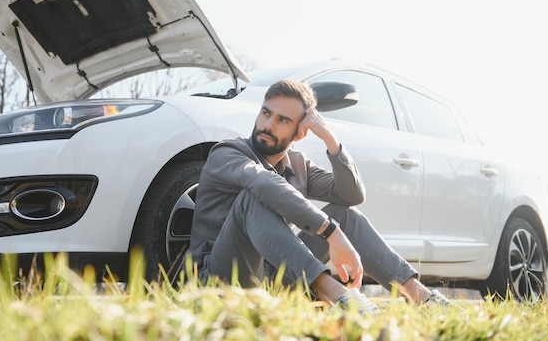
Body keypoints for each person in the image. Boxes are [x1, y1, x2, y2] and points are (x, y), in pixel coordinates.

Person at [187, 79, 451, 313]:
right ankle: (337, 297)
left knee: (344, 215)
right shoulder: (227, 153)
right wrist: (331, 234)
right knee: (253, 198)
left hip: (275, 280)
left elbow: (351, 194)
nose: (268, 125)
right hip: (219, 279)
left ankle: (422, 298)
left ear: (300, 132)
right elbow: (264, 184)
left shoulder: (298, 165)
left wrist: (329, 138)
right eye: (266, 113)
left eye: (283, 120)